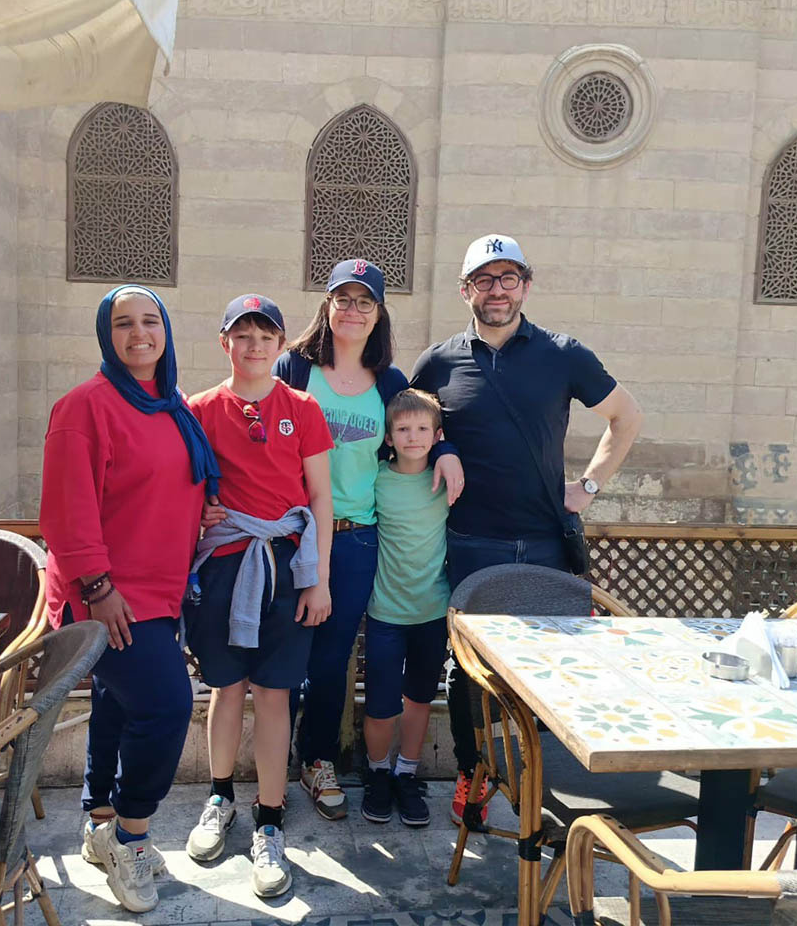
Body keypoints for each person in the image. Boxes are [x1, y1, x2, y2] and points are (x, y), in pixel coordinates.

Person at [411, 233, 643, 826]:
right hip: (471, 542)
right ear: (465, 290)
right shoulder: (438, 363)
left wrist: (588, 487)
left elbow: (626, 416)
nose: (497, 290)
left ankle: (541, 776)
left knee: (553, 668)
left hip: (543, 544)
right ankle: (473, 773)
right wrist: (444, 449)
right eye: (484, 280)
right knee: (468, 672)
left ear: (526, 285)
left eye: (508, 277)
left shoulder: (563, 355)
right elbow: (410, 428)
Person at [39, 285, 219, 913]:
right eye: (123, 323)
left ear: (165, 331)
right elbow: (66, 510)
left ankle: (100, 822)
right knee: (167, 706)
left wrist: (201, 510)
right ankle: (131, 836)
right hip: (108, 595)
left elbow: (162, 484)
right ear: (104, 335)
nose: (138, 333)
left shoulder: (171, 405)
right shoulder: (84, 407)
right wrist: (98, 588)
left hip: (162, 589)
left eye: (150, 321)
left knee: (118, 705)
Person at [271, 259, 463, 821]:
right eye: (343, 299)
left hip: (356, 538)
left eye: (365, 302)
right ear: (327, 306)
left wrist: (448, 451)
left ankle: (317, 760)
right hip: (290, 534)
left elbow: (421, 427)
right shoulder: (294, 367)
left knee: (332, 659)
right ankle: (268, 770)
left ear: (378, 314)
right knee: (283, 653)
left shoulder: (389, 382)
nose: (353, 310)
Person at [183, 293, 335, 898]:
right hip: (225, 564)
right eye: (242, 335)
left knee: (276, 693)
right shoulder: (198, 409)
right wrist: (200, 510)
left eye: (265, 336)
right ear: (225, 343)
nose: (254, 346)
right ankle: (219, 796)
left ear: (279, 345)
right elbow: (181, 488)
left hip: (286, 564)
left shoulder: (302, 407)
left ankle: (269, 820)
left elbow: (320, 496)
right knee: (227, 687)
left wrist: (318, 578)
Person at [360, 389, 451, 827]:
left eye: (422, 428)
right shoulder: (376, 479)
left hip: (432, 612)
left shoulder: (447, 479)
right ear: (389, 437)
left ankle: (406, 774)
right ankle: (378, 772)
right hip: (385, 614)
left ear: (437, 436)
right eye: (403, 429)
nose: (413, 436)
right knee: (380, 703)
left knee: (418, 698)